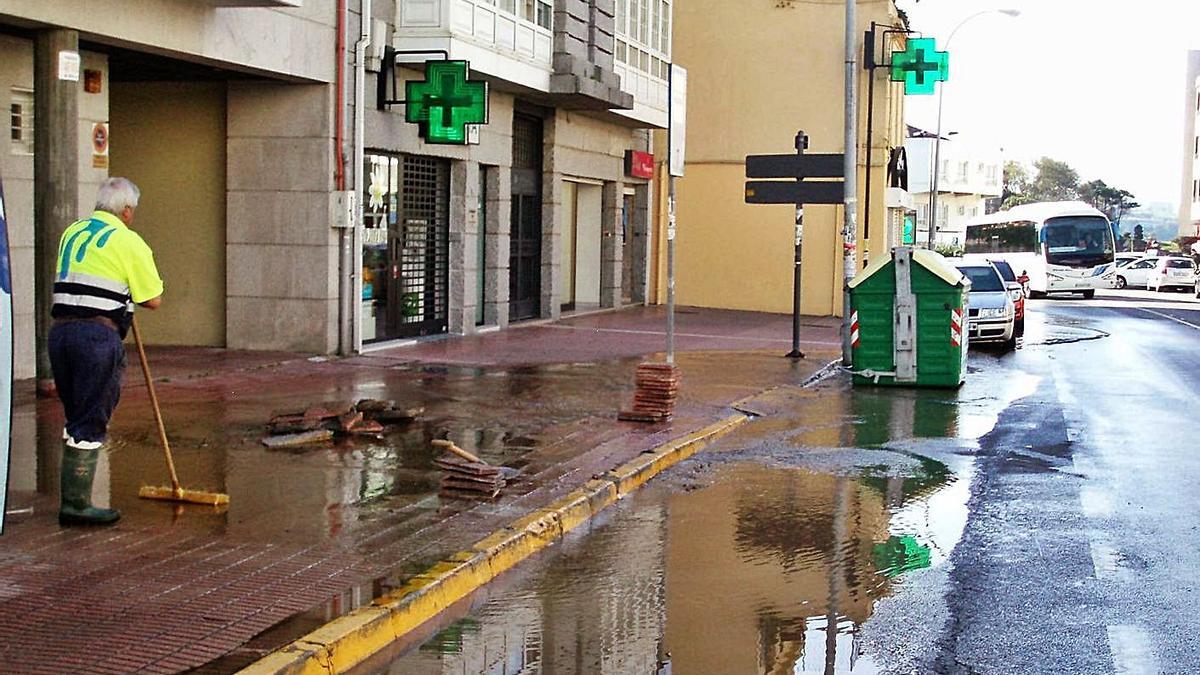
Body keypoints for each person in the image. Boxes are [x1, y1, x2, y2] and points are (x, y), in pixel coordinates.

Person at [49, 177, 163, 525]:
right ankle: (76, 505)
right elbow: (153, 300)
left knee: (76, 414)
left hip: (61, 334)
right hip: (97, 338)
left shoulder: (73, 232)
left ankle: (74, 499)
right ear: (127, 211)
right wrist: (130, 293)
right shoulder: (129, 242)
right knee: (91, 415)